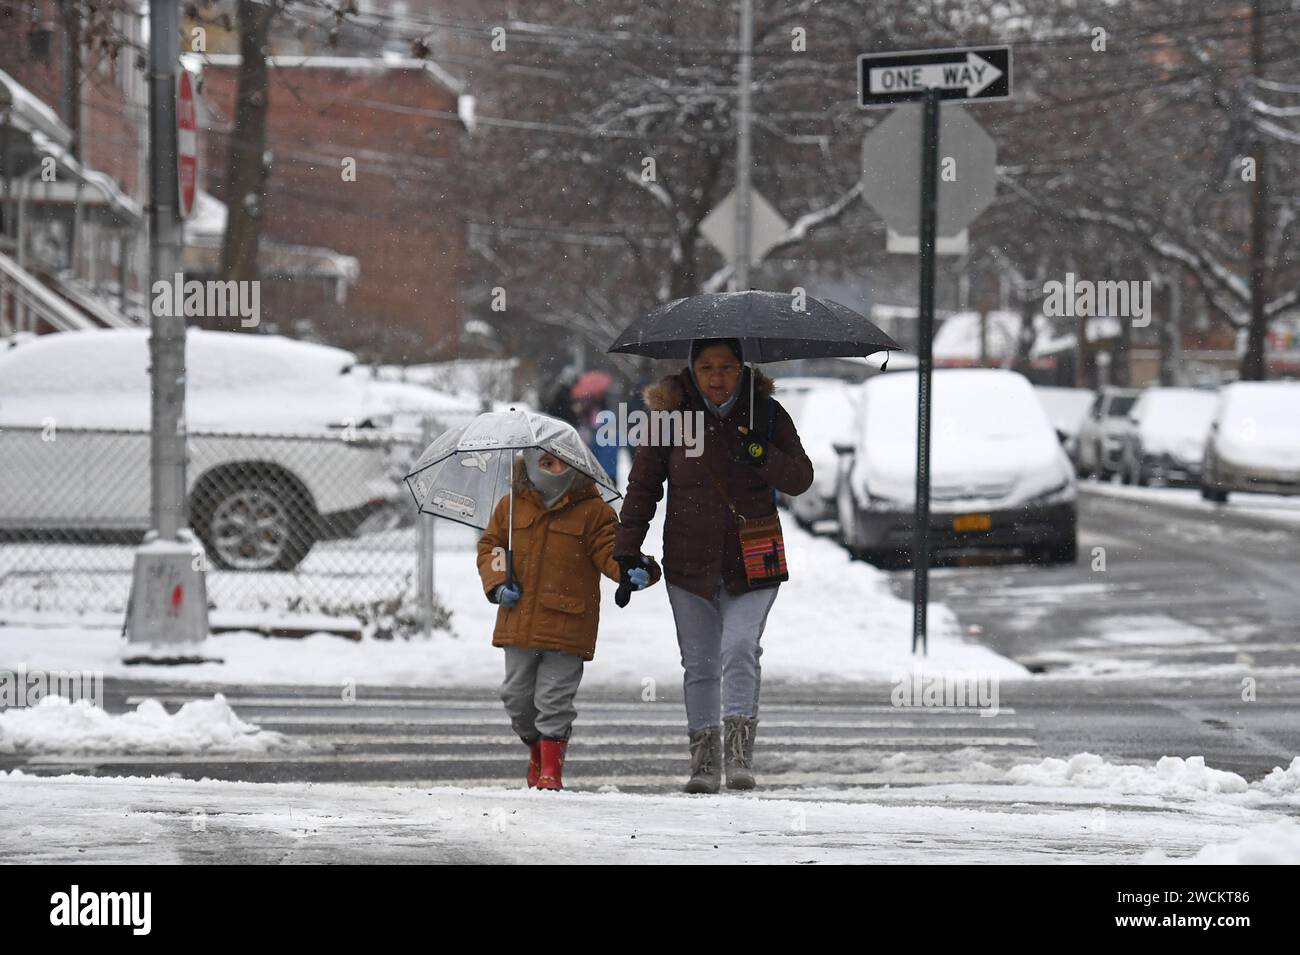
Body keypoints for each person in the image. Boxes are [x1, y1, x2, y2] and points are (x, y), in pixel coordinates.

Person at [614, 338, 814, 793]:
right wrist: (626, 549)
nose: (718, 377)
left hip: (755, 553)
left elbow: (801, 479)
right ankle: (704, 763)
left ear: (743, 369)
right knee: (700, 663)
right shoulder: (668, 418)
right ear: (693, 370)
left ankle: (740, 755)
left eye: (727, 366)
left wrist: (761, 454)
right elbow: (643, 487)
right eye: (707, 367)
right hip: (689, 558)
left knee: (740, 647)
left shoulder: (766, 414)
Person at [477, 445, 660, 790]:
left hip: (569, 624)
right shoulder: (511, 507)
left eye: (563, 463)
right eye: (546, 463)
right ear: (529, 465)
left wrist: (635, 570)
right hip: (518, 621)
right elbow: (492, 547)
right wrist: (499, 581)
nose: (555, 470)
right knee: (516, 698)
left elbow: (611, 551)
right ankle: (536, 750)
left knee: (553, 699)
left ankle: (551, 770)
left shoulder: (593, 512)